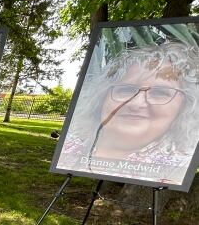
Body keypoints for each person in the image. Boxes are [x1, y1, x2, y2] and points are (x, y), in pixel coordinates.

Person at [55, 42, 199, 185]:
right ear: (101, 96)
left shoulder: (176, 169)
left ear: (185, 107)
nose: (136, 103)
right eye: (126, 89)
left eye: (160, 93)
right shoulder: (70, 143)